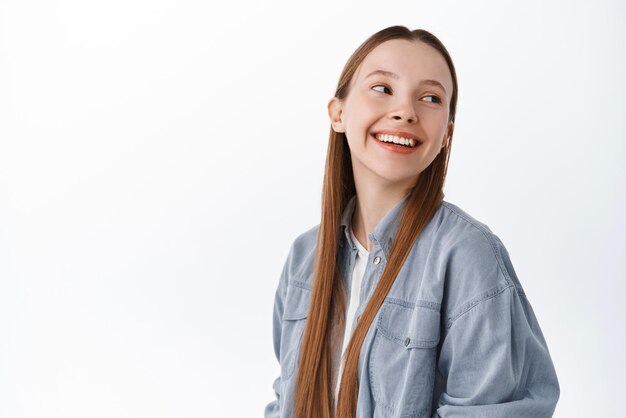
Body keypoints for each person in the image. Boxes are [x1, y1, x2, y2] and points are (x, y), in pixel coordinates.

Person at [264, 25, 560, 418]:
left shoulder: (468, 257)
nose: (405, 111)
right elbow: (286, 400)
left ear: (445, 135)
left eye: (430, 98)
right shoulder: (305, 256)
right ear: (338, 113)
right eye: (383, 88)